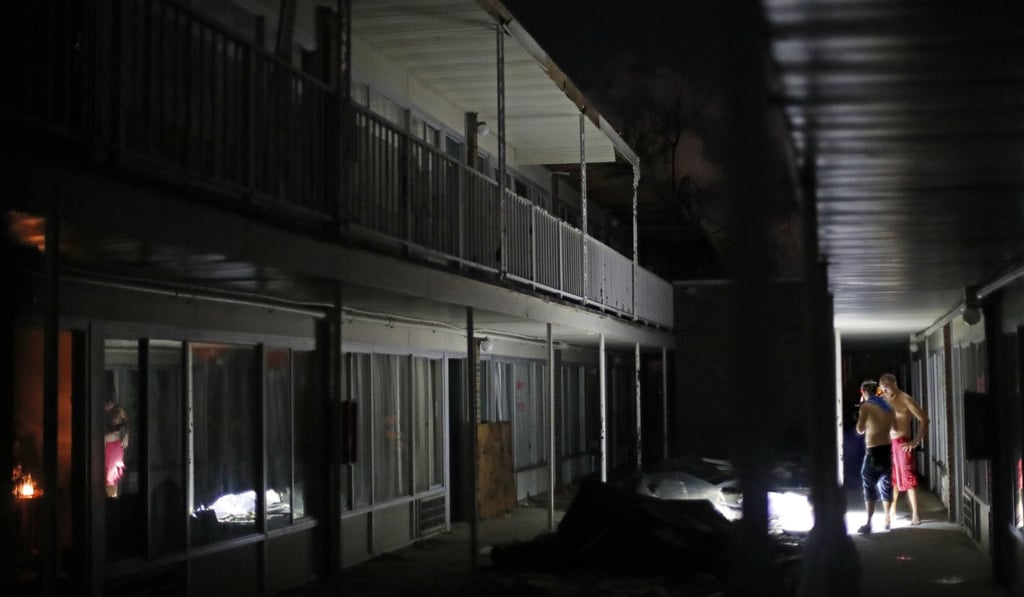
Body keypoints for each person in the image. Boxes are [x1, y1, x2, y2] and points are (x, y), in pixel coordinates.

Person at [879, 372, 928, 525]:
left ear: (895, 384)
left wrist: (915, 441)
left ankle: (915, 514)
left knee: (909, 478)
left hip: (902, 442)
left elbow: (924, 420)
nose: (885, 391)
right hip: (885, 443)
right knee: (889, 479)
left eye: (887, 388)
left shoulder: (905, 399)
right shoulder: (881, 400)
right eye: (882, 388)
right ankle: (890, 511)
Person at [855, 379, 894, 534]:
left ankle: (869, 522)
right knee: (886, 484)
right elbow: (895, 427)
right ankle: (887, 518)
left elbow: (859, 429)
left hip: (873, 451)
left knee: (868, 483)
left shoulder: (866, 406)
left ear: (864, 392)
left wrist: (862, 419)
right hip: (887, 449)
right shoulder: (888, 406)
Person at [104, 397, 130, 498]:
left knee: (110, 478)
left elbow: (127, 422)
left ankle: (112, 500)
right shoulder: (97, 410)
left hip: (114, 447)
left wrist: (126, 435)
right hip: (103, 447)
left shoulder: (118, 411)